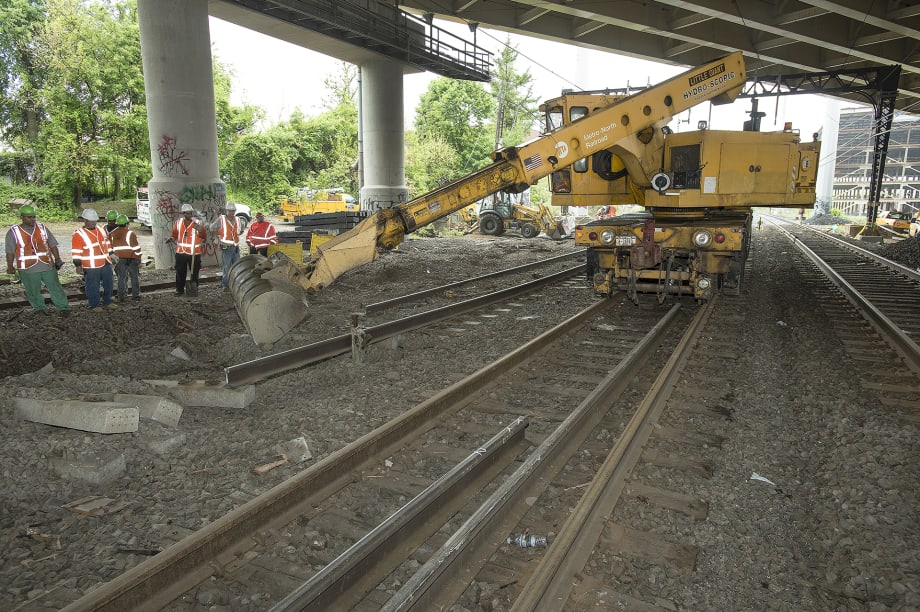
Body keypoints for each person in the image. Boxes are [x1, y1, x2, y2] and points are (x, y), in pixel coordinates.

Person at [4, 204, 71, 317]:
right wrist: (10, 266)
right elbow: (10, 252)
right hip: (27, 268)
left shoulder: (42, 227)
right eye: (29, 217)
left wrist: (58, 258)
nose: (32, 219)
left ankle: (63, 307)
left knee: (55, 287)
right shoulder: (14, 231)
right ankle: (39, 308)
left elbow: (53, 244)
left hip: (46, 265)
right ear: (21, 217)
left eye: (34, 216)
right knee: (32, 290)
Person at [72, 208, 116, 310]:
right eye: (91, 221)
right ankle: (94, 304)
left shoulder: (100, 230)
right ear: (85, 220)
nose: (93, 223)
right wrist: (78, 265)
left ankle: (107, 301)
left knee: (108, 283)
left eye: (95, 220)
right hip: (91, 265)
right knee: (92, 285)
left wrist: (111, 254)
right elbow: (76, 252)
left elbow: (107, 243)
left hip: (105, 262)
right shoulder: (79, 234)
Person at [168, 203, 206, 296]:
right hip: (181, 252)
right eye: (187, 213)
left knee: (194, 272)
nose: (189, 215)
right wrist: (172, 238)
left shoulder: (197, 223)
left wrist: (199, 229)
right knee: (180, 272)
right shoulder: (179, 222)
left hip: (194, 253)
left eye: (190, 213)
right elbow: (174, 234)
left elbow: (203, 236)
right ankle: (179, 289)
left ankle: (194, 288)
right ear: (183, 213)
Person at [108, 214, 142, 302]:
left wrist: (113, 257)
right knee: (134, 277)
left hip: (118, 259)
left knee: (121, 278)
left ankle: (121, 296)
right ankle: (136, 296)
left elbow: (108, 247)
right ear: (127, 223)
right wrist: (138, 258)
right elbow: (136, 248)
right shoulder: (130, 233)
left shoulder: (112, 233)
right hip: (131, 259)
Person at [217, 202, 242, 290]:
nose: (232, 213)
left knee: (237, 266)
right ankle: (226, 285)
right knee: (226, 267)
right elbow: (212, 228)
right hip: (226, 247)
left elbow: (239, 231)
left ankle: (236, 284)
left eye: (233, 211)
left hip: (235, 247)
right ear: (226, 211)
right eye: (230, 211)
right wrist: (218, 239)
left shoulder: (238, 219)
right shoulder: (221, 219)